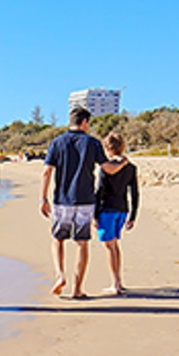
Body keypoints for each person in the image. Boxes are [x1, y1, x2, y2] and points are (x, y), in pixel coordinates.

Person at [41, 106, 106, 299]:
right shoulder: (93, 143)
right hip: (86, 200)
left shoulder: (57, 142)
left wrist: (43, 198)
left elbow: (47, 171)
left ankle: (60, 275)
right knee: (82, 243)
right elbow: (107, 168)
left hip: (62, 200)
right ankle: (77, 289)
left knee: (58, 239)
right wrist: (123, 163)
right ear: (85, 122)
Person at [95, 133, 139, 294]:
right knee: (114, 245)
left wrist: (94, 214)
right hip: (122, 210)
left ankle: (115, 283)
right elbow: (135, 193)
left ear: (107, 148)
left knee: (109, 246)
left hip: (107, 209)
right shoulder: (130, 167)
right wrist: (133, 216)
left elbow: (99, 191)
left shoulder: (106, 167)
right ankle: (118, 281)